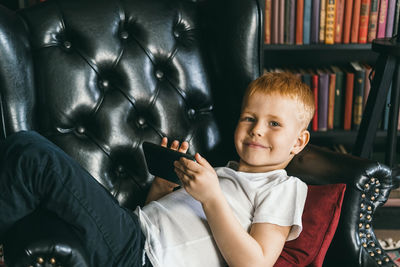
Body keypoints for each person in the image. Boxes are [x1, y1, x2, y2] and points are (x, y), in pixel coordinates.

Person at [0, 72, 315, 267]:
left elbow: (255, 264)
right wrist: (161, 189)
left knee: (33, 155)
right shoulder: (221, 172)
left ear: (299, 141)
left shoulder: (283, 187)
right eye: (249, 118)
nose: (257, 130)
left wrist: (212, 199)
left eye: (274, 124)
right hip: (132, 231)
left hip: (140, 254)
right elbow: (162, 222)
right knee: (27, 158)